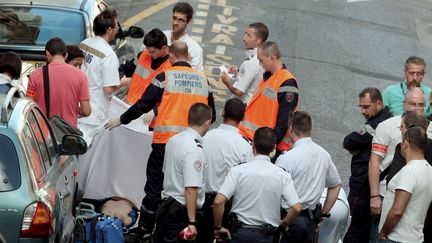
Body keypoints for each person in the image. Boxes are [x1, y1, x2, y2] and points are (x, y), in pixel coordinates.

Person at [104, 41, 216, 241]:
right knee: (186, 187)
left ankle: (146, 232)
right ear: (188, 57)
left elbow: (143, 104)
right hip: (191, 145)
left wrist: (121, 119)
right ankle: (184, 227)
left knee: (155, 186)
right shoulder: (204, 81)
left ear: (171, 56)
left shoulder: (165, 77)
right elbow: (212, 115)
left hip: (164, 143)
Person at [213, 127, 302, 243]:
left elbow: (218, 201)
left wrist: (217, 228)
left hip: (239, 234)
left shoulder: (238, 171)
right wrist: (283, 224)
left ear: (253, 145)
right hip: (266, 237)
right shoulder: (283, 175)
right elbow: (296, 208)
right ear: (274, 148)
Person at [368, 87, 427, 241]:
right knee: (379, 234)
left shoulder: (430, 128)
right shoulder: (387, 126)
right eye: (413, 104)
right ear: (403, 104)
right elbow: (375, 161)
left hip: (418, 198)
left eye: (421, 104)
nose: (417, 108)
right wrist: (374, 195)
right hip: (387, 193)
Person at [276, 111, 342, 243]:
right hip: (310, 221)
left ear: (290, 128)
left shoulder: (286, 158)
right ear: (311, 129)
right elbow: (336, 185)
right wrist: (324, 213)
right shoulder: (324, 155)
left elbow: (274, 191)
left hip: (288, 220)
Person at [152, 103, 212, 243]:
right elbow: (191, 187)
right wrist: (192, 222)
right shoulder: (194, 148)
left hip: (167, 205)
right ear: (208, 122)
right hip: (180, 213)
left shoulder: (174, 140)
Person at [199, 98, 253, 242]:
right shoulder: (244, 146)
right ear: (243, 118)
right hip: (227, 208)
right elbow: (246, 183)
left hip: (201, 202)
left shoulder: (205, 137)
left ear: (223, 113)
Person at [343, 87, 392, 243]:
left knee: (355, 230)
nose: (362, 111)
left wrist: (358, 147)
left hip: (363, 185)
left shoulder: (377, 124)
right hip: (369, 183)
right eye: (361, 107)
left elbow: (349, 140)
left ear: (378, 103)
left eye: (366, 106)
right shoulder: (383, 120)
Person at [238, 41, 299, 159]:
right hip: (258, 142)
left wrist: (270, 147)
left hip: (267, 148)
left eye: (261, 60)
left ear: (273, 57)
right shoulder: (269, 78)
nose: (260, 64)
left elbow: (284, 120)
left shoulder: (287, 82)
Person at [78, 9, 129, 143]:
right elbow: (108, 88)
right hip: (94, 112)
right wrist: (124, 82)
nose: (117, 31)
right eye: (116, 27)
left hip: (78, 105)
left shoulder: (84, 43)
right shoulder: (108, 54)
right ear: (109, 29)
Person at [383, 111, 432, 243]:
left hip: (396, 237)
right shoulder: (428, 170)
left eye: (402, 128)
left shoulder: (408, 171)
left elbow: (397, 211)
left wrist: (383, 233)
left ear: (405, 144)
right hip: (415, 237)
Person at [26, 37, 91, 127]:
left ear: (47, 54)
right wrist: (75, 109)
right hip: (67, 132)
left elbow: (28, 106)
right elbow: (86, 111)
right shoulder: (81, 76)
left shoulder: (35, 75)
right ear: (66, 55)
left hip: (41, 131)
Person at [126, 28, 171, 127]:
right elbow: (128, 69)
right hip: (131, 110)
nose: (149, 54)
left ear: (164, 48)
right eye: (148, 50)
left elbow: (172, 97)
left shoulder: (171, 66)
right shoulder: (143, 54)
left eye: (153, 52)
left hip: (151, 122)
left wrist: (154, 111)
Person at [221, 22, 268, 105]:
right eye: (245, 34)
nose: (244, 38)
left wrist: (227, 83)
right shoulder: (262, 56)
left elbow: (239, 92)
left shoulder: (253, 62)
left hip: (244, 107)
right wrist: (238, 72)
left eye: (249, 36)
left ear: (258, 41)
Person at [162, 2, 203, 72]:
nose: (175, 23)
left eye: (180, 20)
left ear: (189, 21)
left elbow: (195, 77)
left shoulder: (195, 50)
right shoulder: (160, 36)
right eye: (174, 18)